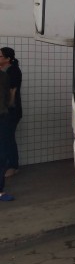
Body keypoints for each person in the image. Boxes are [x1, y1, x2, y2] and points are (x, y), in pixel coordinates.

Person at [0, 47, 22, 177]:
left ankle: (13, 166)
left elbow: (13, 91)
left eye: (0, 56)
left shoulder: (13, 71)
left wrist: (9, 106)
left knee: (8, 138)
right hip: (4, 111)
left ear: (8, 59)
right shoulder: (3, 71)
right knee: (4, 138)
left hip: (11, 111)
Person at [0, 70, 14, 201]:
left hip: (2, 116)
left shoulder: (4, 75)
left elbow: (8, 96)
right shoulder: (3, 75)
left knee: (2, 155)